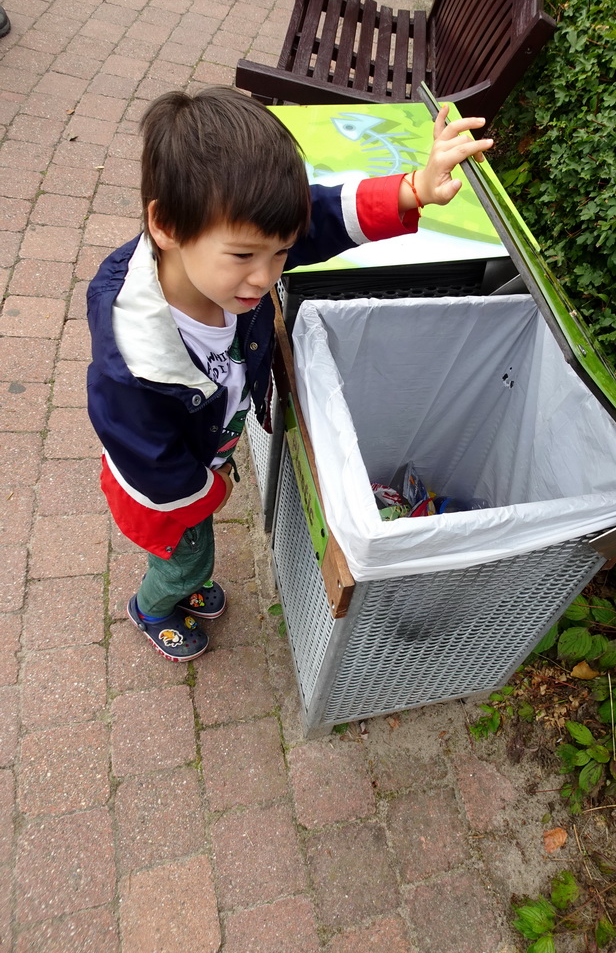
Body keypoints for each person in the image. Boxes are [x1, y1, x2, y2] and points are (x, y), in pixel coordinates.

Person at [86, 85, 492, 662]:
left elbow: (319, 218)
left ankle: (181, 579)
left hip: (203, 459)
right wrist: (206, 494)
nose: (265, 276)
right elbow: (147, 459)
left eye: (280, 255)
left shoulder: (229, 249)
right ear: (166, 226)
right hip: (161, 499)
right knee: (185, 556)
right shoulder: (132, 359)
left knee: (193, 550)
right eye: (246, 257)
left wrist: (413, 190)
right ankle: (154, 606)